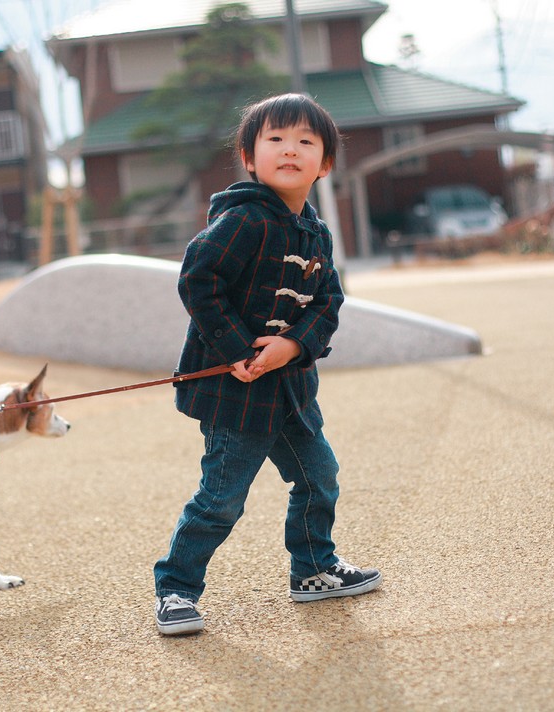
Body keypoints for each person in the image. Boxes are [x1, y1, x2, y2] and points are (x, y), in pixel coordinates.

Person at [154, 93, 381, 636]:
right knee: (222, 499)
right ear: (249, 157)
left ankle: (313, 569)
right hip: (238, 390)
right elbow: (197, 280)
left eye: (306, 141)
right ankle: (176, 591)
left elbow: (329, 302)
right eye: (275, 139)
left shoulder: (317, 234)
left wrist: (295, 345)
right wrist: (237, 350)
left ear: (325, 163)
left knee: (319, 478)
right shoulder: (243, 222)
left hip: (293, 389)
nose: (290, 149)